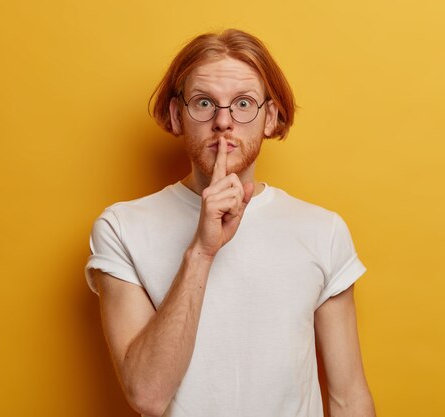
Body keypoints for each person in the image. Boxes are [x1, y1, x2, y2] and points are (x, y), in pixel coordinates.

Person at [85, 28, 375, 417]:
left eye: (243, 104)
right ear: (176, 115)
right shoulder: (121, 229)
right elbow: (147, 396)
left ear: (269, 118)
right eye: (204, 102)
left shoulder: (323, 231)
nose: (224, 121)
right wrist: (202, 251)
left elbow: (348, 397)